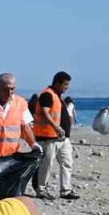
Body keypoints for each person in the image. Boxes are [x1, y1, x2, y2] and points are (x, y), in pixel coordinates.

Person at [31, 71, 78, 200]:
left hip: (62, 138)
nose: (67, 87)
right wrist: (56, 126)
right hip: (48, 137)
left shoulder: (57, 96)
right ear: (57, 83)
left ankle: (66, 190)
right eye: (65, 84)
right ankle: (41, 189)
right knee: (46, 165)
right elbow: (45, 112)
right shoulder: (47, 94)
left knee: (67, 163)